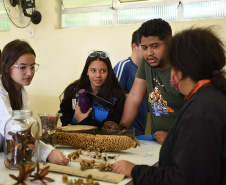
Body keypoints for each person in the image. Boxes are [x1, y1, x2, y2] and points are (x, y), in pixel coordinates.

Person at [112, 27, 226, 185]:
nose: (171, 74)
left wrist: (135, 171)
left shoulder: (202, 111)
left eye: (175, 66)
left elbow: (184, 179)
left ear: (187, 67)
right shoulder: (211, 97)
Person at [0, 39, 69, 165]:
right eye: (22, 67)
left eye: (32, 66)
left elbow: (24, 130)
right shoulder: (1, 93)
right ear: (6, 68)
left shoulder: (20, 91)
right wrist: (48, 153)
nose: (30, 73)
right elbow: (14, 130)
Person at [119, 18, 186, 144]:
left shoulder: (183, 65)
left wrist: (174, 138)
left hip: (184, 144)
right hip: (157, 142)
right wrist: (120, 130)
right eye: (144, 48)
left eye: (155, 46)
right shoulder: (147, 62)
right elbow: (134, 96)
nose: (149, 53)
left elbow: (200, 112)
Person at [59, 50, 125, 129]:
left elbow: (110, 128)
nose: (98, 75)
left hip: (101, 140)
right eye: (93, 70)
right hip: (74, 138)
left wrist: (84, 121)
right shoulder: (73, 89)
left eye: (103, 71)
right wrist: (67, 124)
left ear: (109, 72)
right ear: (87, 71)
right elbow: (64, 114)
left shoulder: (117, 97)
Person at [114, 30, 148, 136]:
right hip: (124, 131)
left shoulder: (148, 70)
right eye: (144, 48)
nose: (148, 52)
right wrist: (137, 95)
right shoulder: (124, 66)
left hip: (140, 131)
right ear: (134, 46)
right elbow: (112, 98)